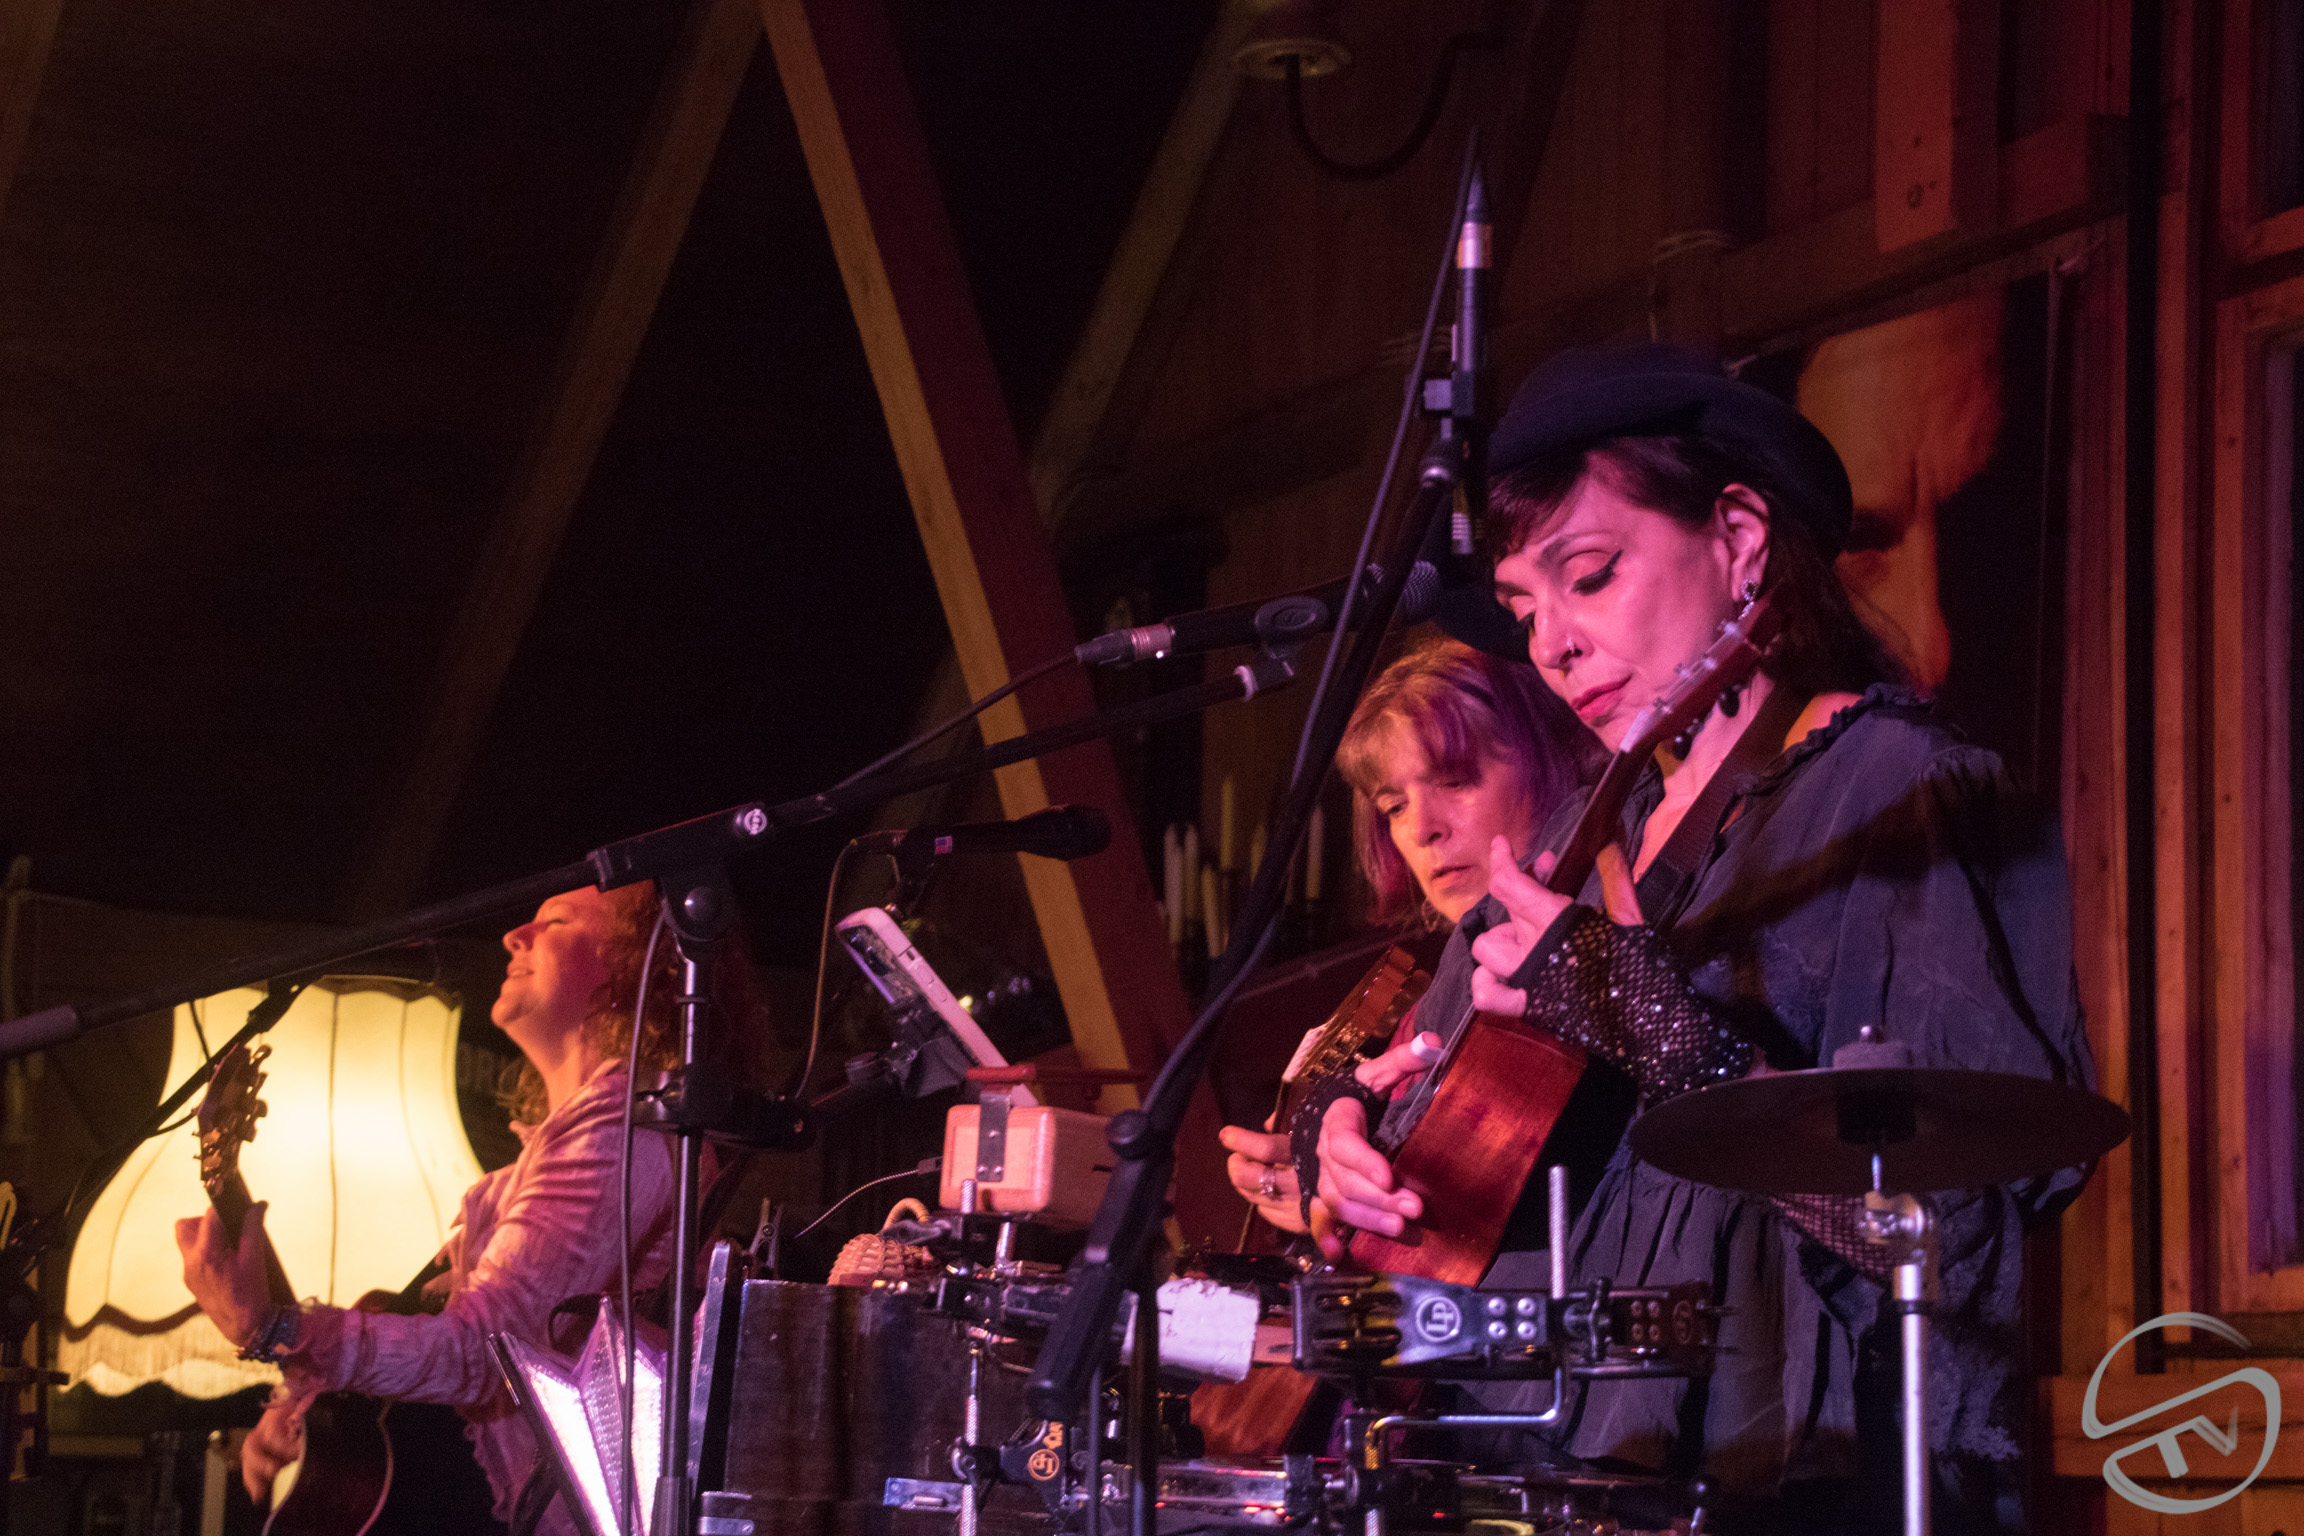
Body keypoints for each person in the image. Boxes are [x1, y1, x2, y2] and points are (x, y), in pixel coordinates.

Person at [1293, 345, 2094, 1533]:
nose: (1551, 645)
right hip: (1561, 1463)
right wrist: (1338, 1128)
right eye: (1524, 610)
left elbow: (1941, 1232)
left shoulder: (1900, 791)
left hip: (1808, 1476)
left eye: (1590, 576)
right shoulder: (1575, 840)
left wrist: (1651, 1022)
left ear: (1739, 539)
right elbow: (1413, 1089)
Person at [177, 881, 765, 1535]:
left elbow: (485, 1353)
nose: (514, 936)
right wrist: (309, 1411)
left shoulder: (624, 1128)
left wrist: (273, 1329)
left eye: (557, 921)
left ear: (633, 972)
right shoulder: (539, 1165)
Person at [1218, 635, 1595, 1234]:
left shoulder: (1600, 935)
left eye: (1455, 780)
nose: (1421, 829)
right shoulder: (1429, 1005)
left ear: (1546, 757)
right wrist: (1343, 1180)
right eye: (1394, 806)